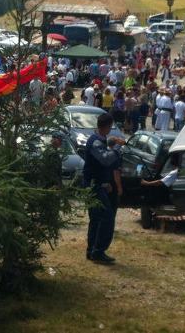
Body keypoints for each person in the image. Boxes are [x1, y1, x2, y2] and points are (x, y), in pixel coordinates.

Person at [83, 113, 125, 264]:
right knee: (106, 218)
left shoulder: (100, 139)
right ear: (108, 126)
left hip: (97, 184)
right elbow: (105, 160)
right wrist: (118, 147)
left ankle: (92, 250)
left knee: (96, 219)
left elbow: (99, 166)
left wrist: (105, 182)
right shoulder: (95, 142)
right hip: (93, 186)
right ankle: (98, 251)